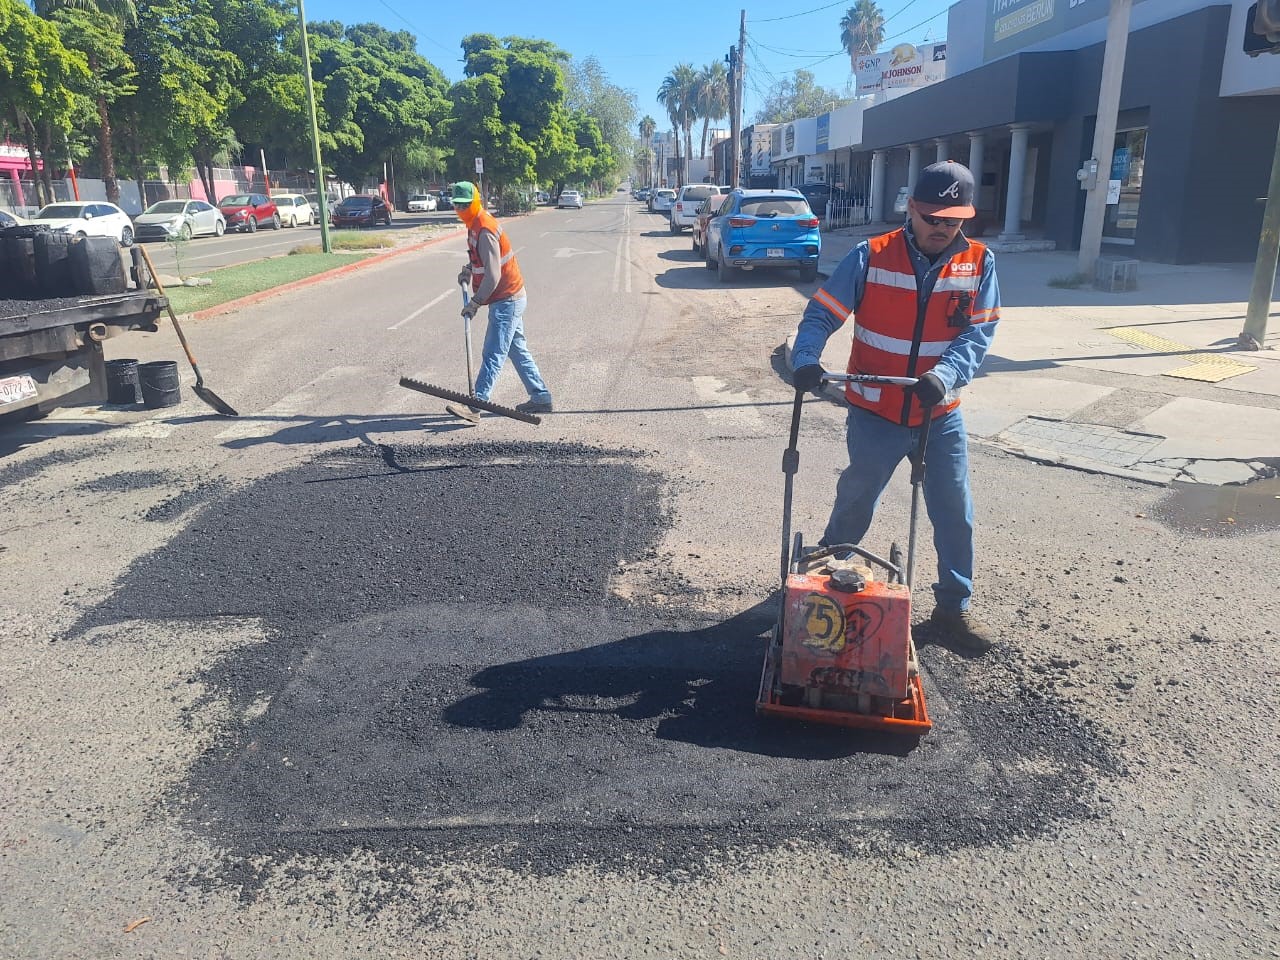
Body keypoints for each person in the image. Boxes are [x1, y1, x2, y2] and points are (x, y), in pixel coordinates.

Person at [790, 160, 1001, 654]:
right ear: (912, 209)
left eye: (953, 220)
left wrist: (943, 377)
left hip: (938, 413)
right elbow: (822, 312)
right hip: (875, 411)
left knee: (954, 512)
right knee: (856, 500)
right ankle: (825, 592)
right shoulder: (872, 255)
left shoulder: (979, 262)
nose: (943, 229)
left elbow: (978, 333)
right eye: (934, 219)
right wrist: (806, 359)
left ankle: (953, 609)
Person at [444, 181, 553, 424]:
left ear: (475, 202)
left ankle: (477, 403)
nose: (461, 210)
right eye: (457, 206)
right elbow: (481, 260)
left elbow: (493, 275)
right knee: (516, 349)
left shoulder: (484, 229)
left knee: (493, 351)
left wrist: (474, 303)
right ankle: (541, 396)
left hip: (507, 298)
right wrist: (469, 269)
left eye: (465, 205)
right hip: (509, 296)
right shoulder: (473, 225)